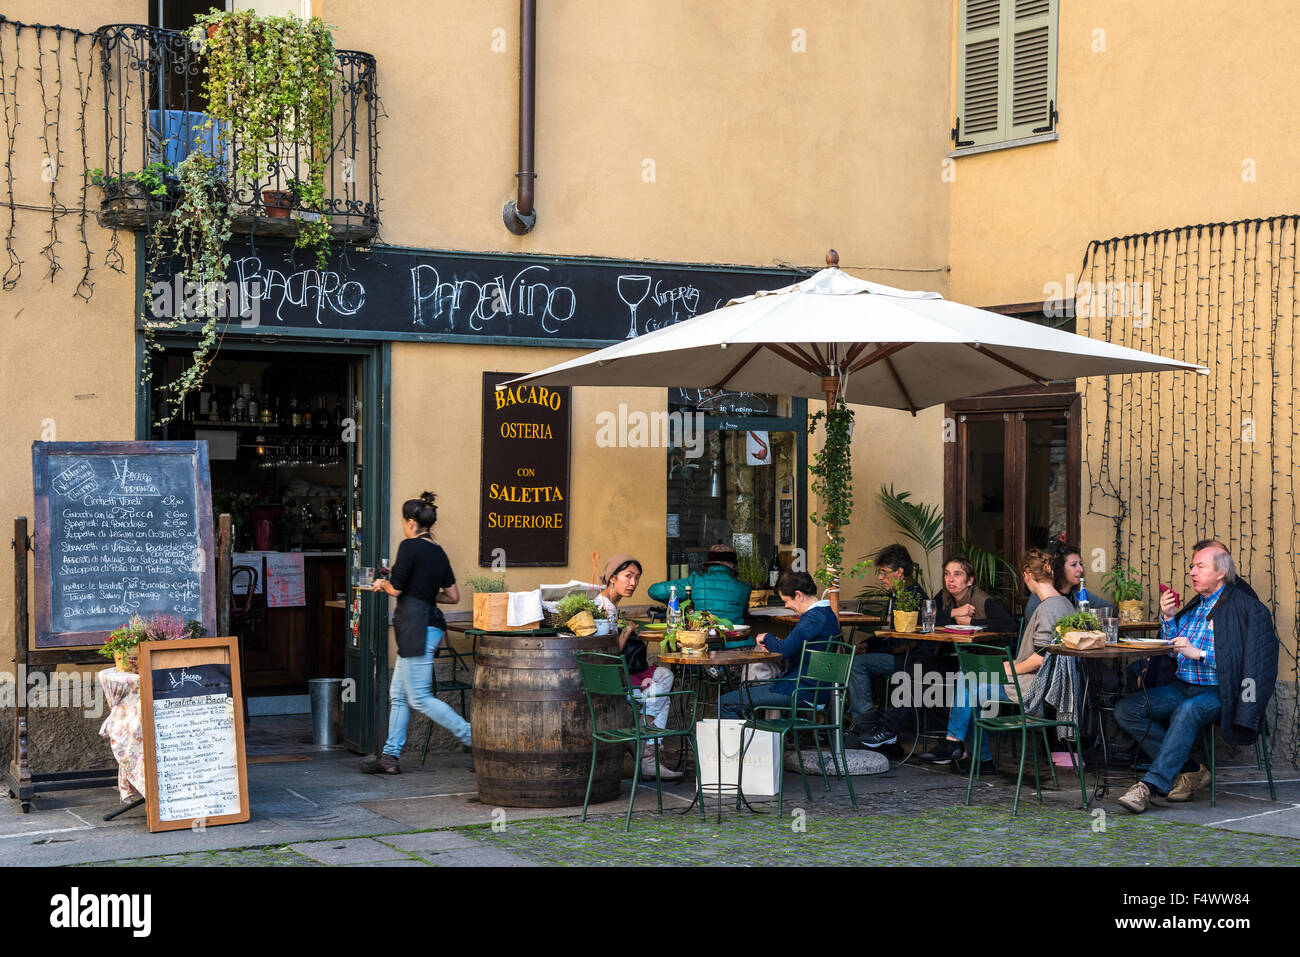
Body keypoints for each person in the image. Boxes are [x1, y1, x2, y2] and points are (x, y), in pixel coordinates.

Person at [1114, 542, 1278, 813]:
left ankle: (1149, 786)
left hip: (1220, 691)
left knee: (1187, 711)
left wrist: (1200, 654)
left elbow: (1251, 662)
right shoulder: (1195, 606)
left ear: (1221, 573)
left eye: (1200, 566)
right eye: (1192, 566)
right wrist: (1168, 617)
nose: (1191, 571)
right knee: (1127, 709)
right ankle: (1190, 769)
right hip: (1182, 686)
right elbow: (1171, 649)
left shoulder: (1248, 609)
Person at [921, 548, 1072, 767]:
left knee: (969, 681)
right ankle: (976, 757)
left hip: (1033, 687)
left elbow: (1042, 657)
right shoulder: (1065, 603)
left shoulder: (1047, 608)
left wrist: (1009, 669)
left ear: (1027, 575)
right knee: (969, 678)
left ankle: (955, 744)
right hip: (1052, 685)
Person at [360, 492, 471, 774]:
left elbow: (395, 588)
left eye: (403, 521)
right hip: (429, 623)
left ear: (410, 522)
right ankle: (389, 757)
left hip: (415, 626)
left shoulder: (409, 547)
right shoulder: (439, 551)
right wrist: (424, 593)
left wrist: (380, 585)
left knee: (419, 697)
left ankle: (474, 738)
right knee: (398, 694)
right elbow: (453, 596)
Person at [595, 553, 682, 781]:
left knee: (662, 678)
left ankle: (645, 742)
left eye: (637, 577)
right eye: (628, 576)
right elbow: (611, 650)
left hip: (614, 675)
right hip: (612, 682)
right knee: (662, 683)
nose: (633, 583)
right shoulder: (605, 607)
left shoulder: (607, 603)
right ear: (612, 577)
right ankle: (647, 752)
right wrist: (628, 631)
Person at [719, 570, 838, 718]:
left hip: (801, 691)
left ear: (799, 595)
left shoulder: (812, 618)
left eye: (787, 601)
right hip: (815, 689)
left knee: (724, 703)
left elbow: (783, 651)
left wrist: (767, 636)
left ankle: (750, 739)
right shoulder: (827, 613)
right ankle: (758, 736)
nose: (787, 606)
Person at [851, 544, 930, 748]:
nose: (880, 577)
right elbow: (892, 634)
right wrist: (868, 644)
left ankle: (867, 725)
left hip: (908, 659)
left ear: (900, 572)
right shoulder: (900, 594)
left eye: (884, 572)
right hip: (897, 655)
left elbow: (905, 642)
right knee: (854, 658)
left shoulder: (913, 596)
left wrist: (876, 648)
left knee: (856, 665)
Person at [646, 543, 751, 623]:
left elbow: (655, 591)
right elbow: (744, 614)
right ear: (733, 567)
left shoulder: (694, 582)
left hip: (703, 643)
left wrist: (679, 602)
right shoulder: (744, 587)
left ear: (709, 564)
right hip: (738, 642)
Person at [1023, 543, 1115, 623]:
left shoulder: (1077, 594)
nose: (1081, 569)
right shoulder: (1042, 594)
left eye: (1080, 564)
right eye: (1074, 565)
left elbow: (1111, 610)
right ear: (1060, 568)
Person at [934, 557, 1017, 632]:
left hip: (981, 648)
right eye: (947, 574)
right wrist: (954, 612)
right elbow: (925, 619)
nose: (950, 579)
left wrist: (971, 622)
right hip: (954, 646)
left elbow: (1010, 625)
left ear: (970, 580)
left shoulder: (982, 599)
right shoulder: (943, 595)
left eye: (957, 574)